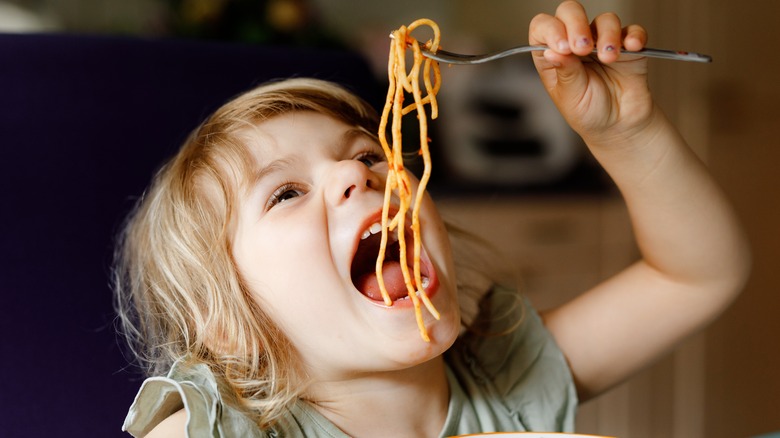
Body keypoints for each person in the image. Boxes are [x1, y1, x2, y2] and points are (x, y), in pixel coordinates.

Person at [115, 1, 751, 436]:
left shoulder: (503, 381)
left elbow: (698, 275)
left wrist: (627, 134)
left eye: (368, 153)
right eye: (284, 193)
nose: (355, 175)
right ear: (229, 326)